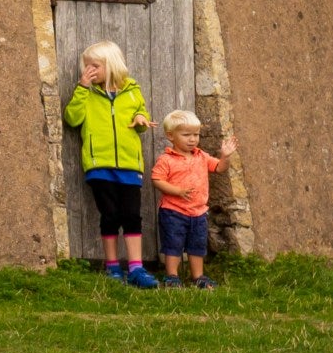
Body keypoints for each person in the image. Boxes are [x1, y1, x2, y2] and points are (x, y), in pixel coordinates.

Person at [64, 41, 159, 288]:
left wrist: (140, 119)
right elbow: (72, 119)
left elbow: (142, 119)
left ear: (111, 65)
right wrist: (82, 87)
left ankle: (136, 268)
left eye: (95, 65)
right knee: (110, 215)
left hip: (129, 164)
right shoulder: (87, 93)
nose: (89, 70)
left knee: (131, 215)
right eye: (86, 66)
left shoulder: (132, 90)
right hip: (99, 164)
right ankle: (112, 266)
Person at [150, 110, 233, 288]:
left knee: (197, 245)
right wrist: (177, 191)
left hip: (198, 212)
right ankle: (172, 276)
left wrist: (225, 156)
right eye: (186, 135)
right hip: (173, 211)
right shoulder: (166, 159)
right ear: (170, 136)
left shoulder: (201, 156)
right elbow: (157, 179)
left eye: (196, 134)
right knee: (173, 244)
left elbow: (219, 168)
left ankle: (198, 277)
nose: (192, 139)